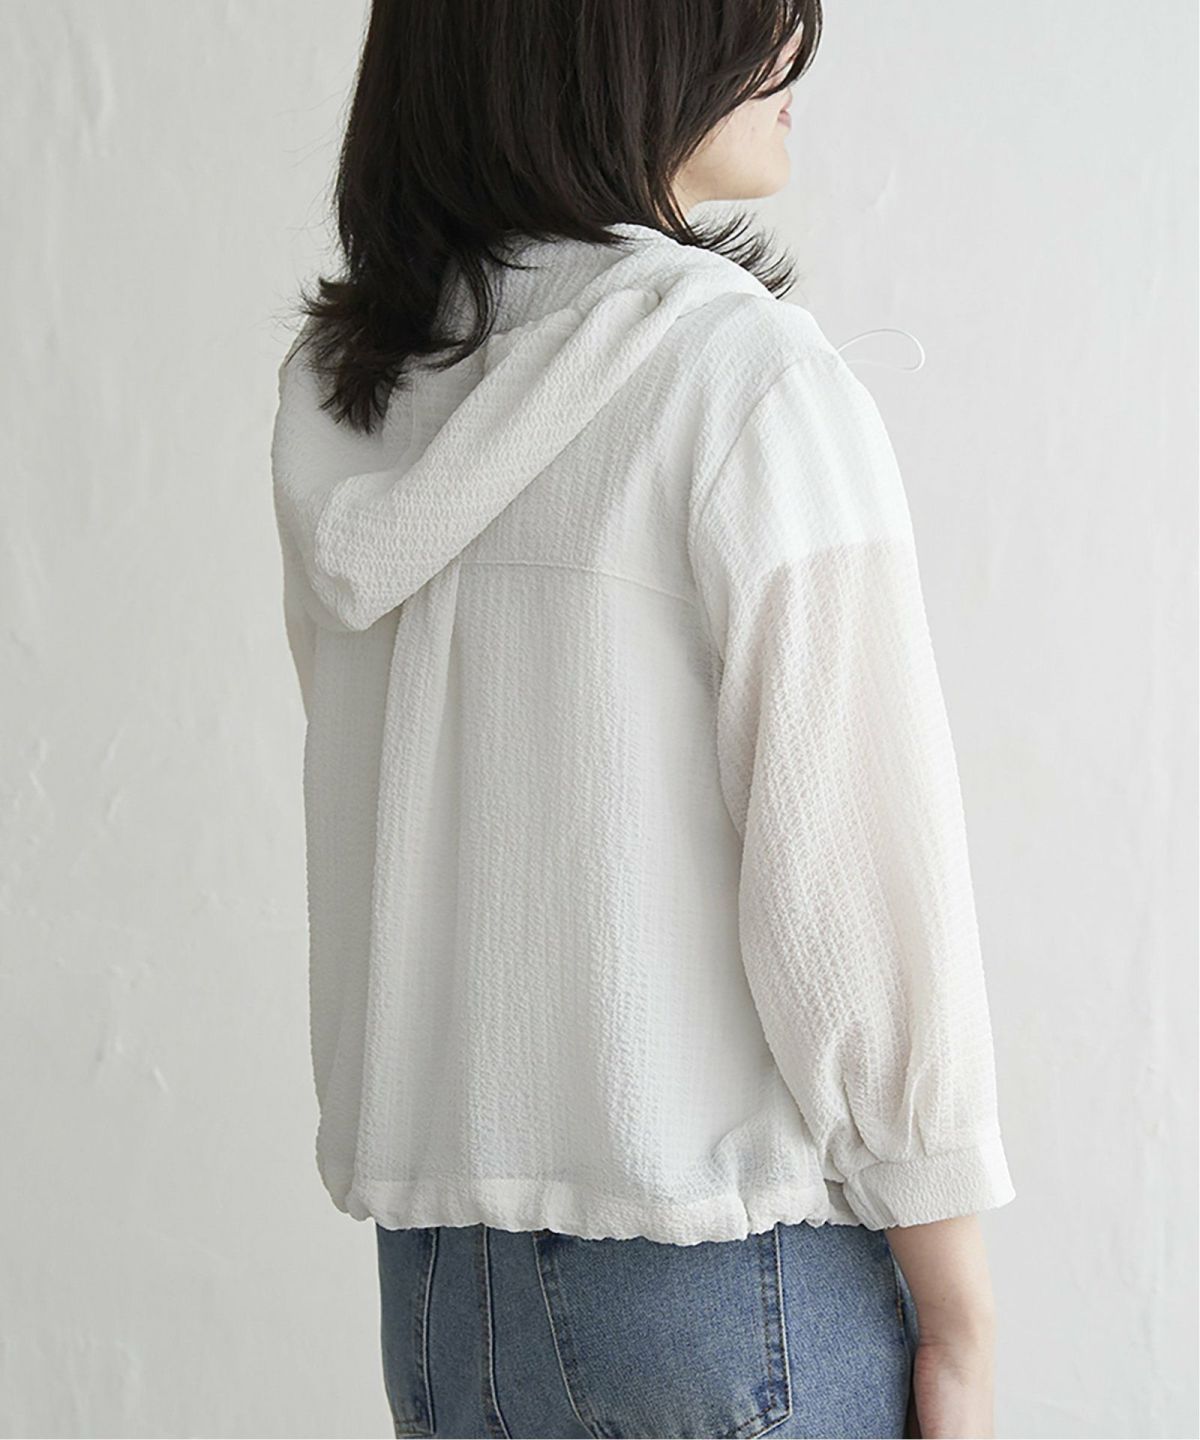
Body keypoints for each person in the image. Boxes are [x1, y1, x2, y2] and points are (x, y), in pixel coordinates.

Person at [270, 2, 1017, 1436]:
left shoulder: (348, 409)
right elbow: (859, 904)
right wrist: (965, 1321)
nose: (797, 55)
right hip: (723, 1280)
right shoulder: (747, 384)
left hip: (440, 1297)